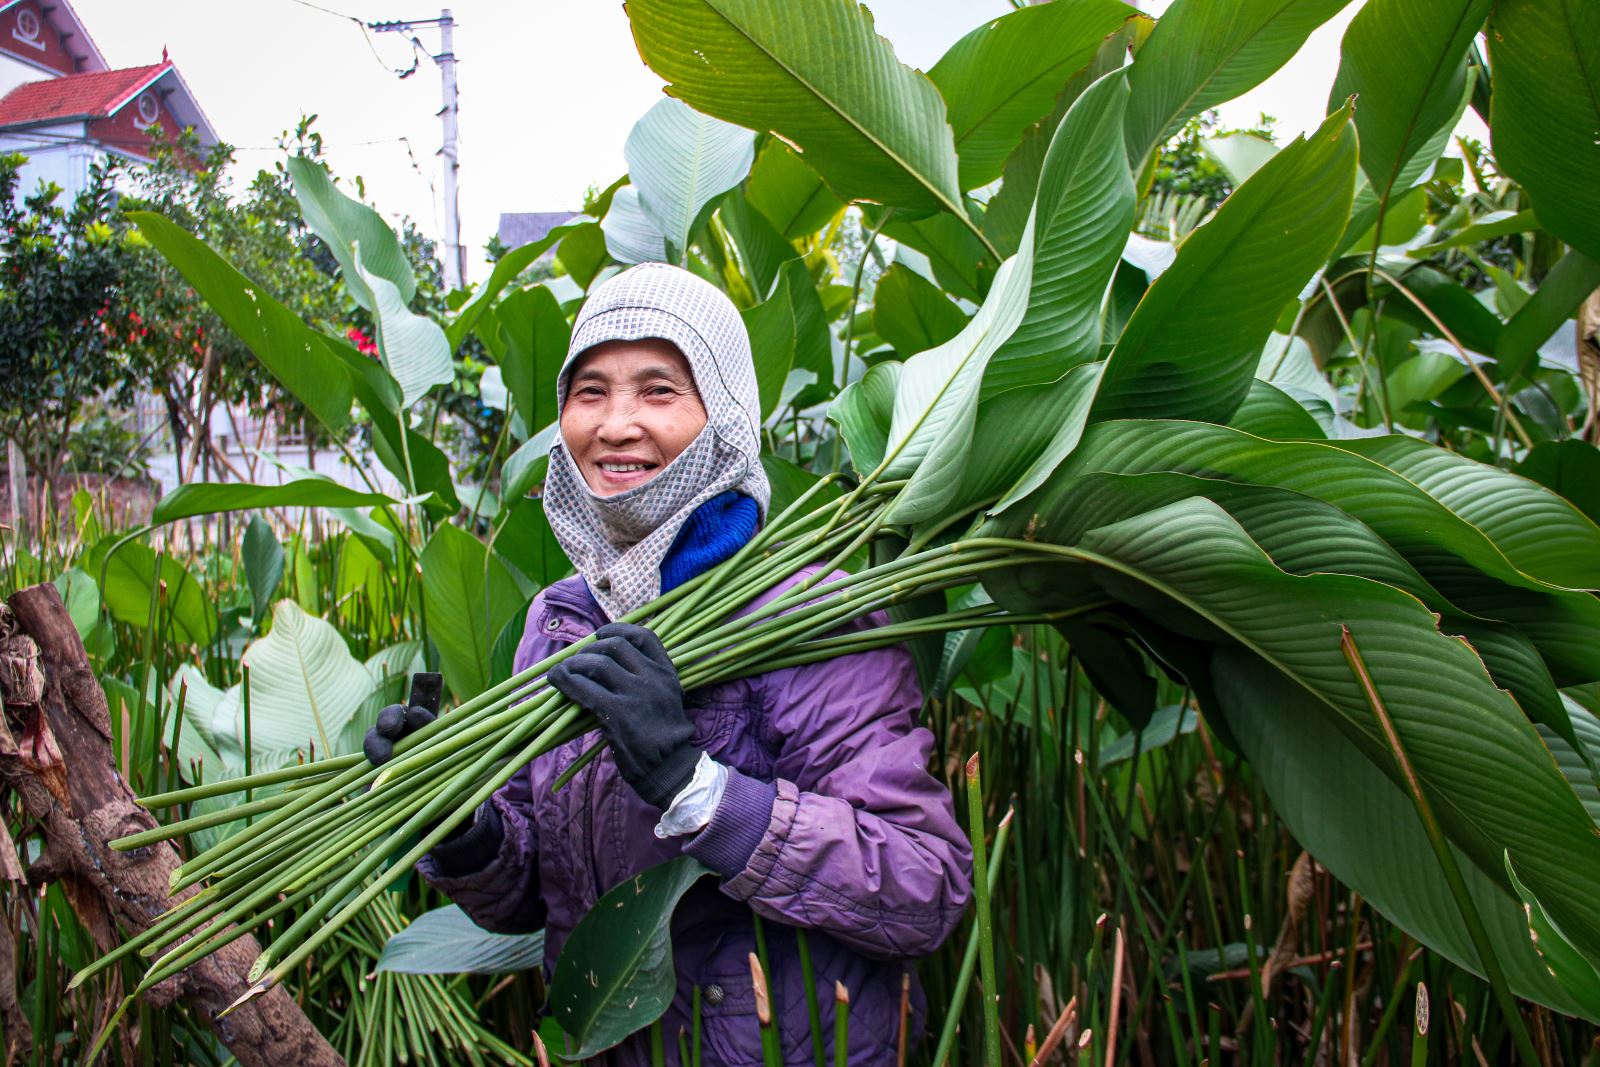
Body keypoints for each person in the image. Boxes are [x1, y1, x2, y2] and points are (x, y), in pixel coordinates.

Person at [365, 262, 972, 1065]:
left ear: (722, 415)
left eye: (658, 390)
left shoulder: (804, 608)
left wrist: (701, 790)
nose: (616, 425)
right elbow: (527, 898)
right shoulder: (560, 619)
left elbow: (923, 884)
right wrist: (459, 819)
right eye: (590, 392)